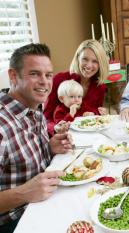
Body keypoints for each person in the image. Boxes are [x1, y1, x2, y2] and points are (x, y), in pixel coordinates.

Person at [0, 43, 73, 233]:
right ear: (13, 76)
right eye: (34, 74)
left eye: (48, 75)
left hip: (47, 202)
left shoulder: (35, 108)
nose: (44, 82)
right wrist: (24, 193)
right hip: (16, 221)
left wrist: (49, 148)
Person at [44, 39, 109, 135]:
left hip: (88, 135)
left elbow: (95, 115)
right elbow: (46, 117)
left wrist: (101, 113)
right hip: (60, 136)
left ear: (100, 64)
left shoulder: (100, 87)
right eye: (85, 59)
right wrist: (54, 127)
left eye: (95, 61)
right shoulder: (58, 80)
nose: (89, 65)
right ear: (78, 58)